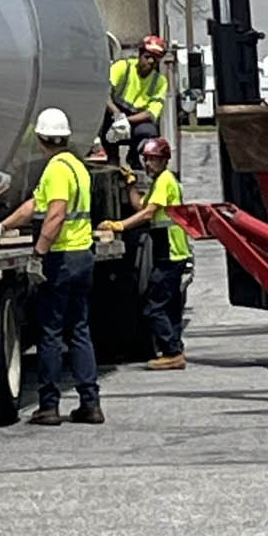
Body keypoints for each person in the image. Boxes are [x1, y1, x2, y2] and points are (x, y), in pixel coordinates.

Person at [0, 106, 103, 426]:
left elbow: (55, 215)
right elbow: (33, 205)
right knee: (79, 330)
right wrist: (3, 226)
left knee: (50, 332)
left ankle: (48, 406)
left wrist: (38, 253)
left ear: (40, 139)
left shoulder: (55, 171)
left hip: (61, 258)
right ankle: (90, 404)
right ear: (64, 137)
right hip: (83, 256)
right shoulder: (77, 167)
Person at [104, 136, 191, 369]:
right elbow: (140, 205)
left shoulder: (165, 180)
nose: (148, 164)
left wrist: (120, 225)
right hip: (171, 251)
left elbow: (147, 214)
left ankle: (172, 352)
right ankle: (175, 348)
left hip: (171, 251)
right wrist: (131, 184)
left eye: (152, 160)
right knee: (170, 304)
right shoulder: (160, 182)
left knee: (153, 305)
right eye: (146, 160)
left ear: (163, 160)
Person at [106, 35, 169, 168]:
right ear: (139, 54)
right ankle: (112, 157)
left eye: (155, 60)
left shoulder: (159, 82)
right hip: (113, 113)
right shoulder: (122, 67)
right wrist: (117, 115)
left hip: (136, 120)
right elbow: (104, 94)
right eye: (147, 57)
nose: (150, 62)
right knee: (102, 119)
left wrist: (126, 121)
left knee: (149, 132)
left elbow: (150, 113)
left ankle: (134, 157)